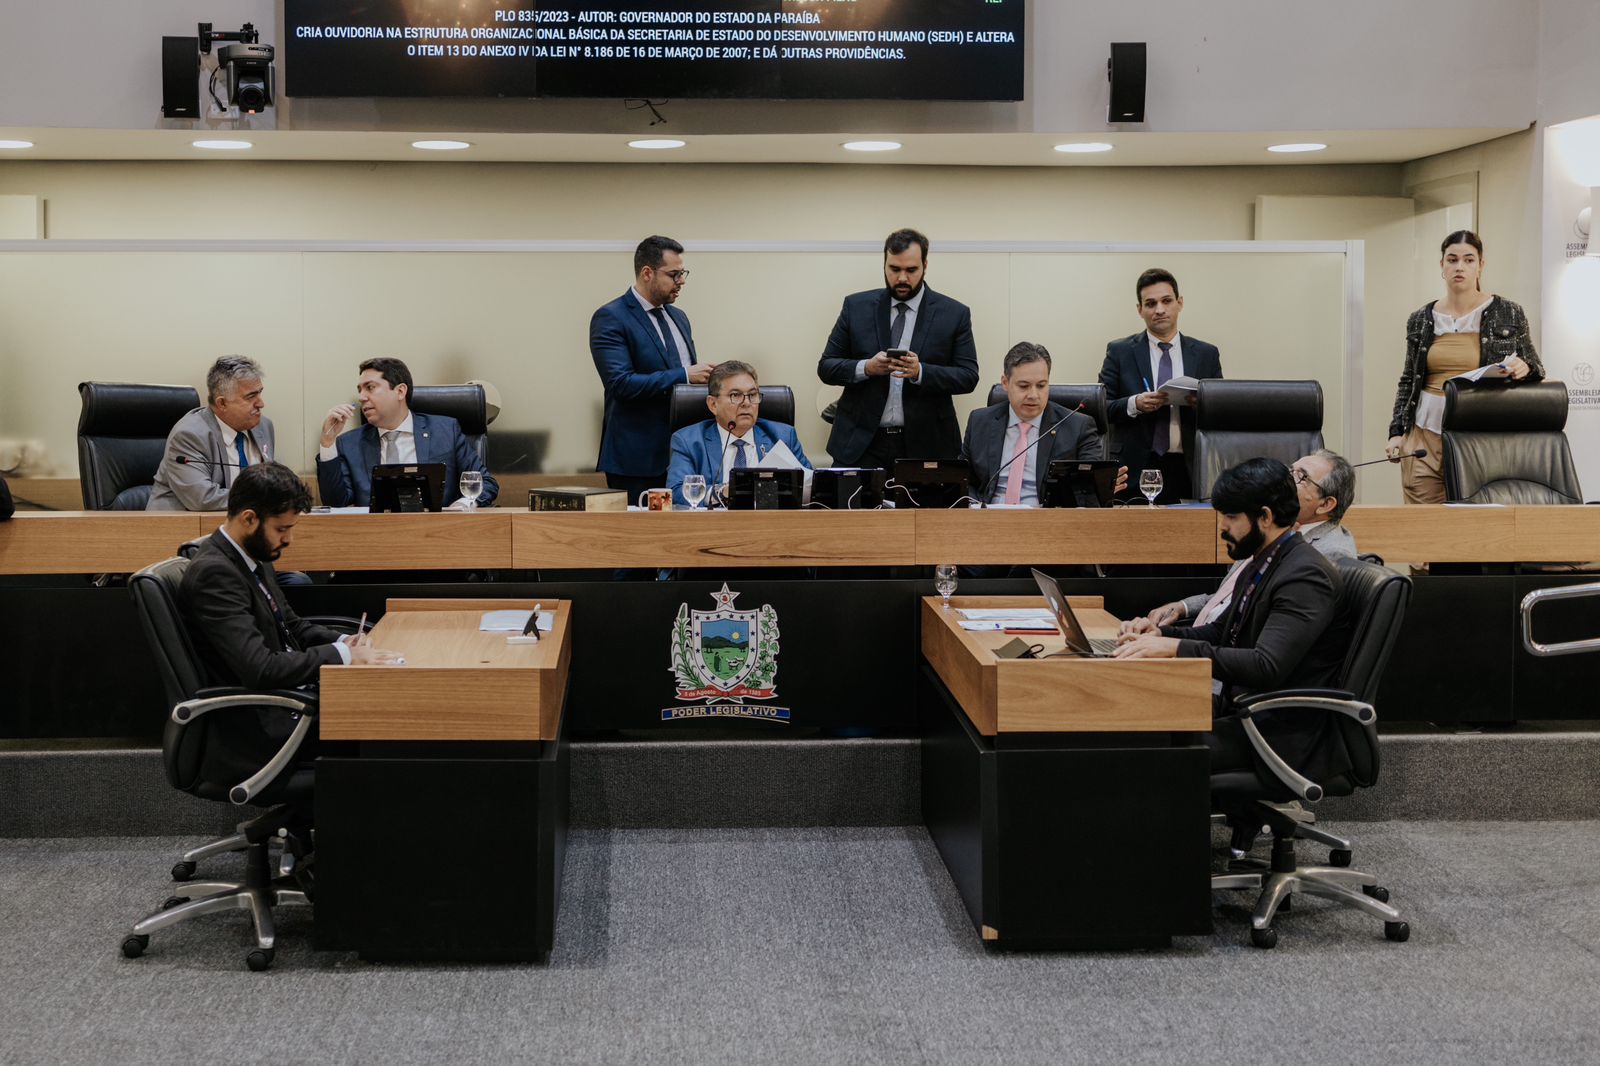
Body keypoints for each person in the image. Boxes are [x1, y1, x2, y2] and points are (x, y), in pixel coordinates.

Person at [1114, 458, 1350, 775]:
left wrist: (1176, 649)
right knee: (1125, 716)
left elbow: (1266, 665)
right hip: (1240, 712)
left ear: (1265, 517)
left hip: (1275, 735)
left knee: (1137, 744)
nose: (1222, 527)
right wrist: (1159, 636)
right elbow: (1220, 631)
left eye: (1231, 517)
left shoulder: (1304, 576)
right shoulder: (1265, 560)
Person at [182, 462, 400, 692]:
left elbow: (291, 626)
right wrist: (343, 655)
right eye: (281, 529)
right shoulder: (215, 575)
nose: (289, 539)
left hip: (289, 687)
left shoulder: (253, 554)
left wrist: (343, 642)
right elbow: (261, 668)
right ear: (248, 519)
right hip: (265, 707)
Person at [1386, 230, 1543, 504]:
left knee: (1474, 519)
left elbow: (1536, 367)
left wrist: (1524, 367)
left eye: (1469, 260)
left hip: (1479, 437)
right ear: (1442, 265)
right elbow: (1409, 379)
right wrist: (1397, 432)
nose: (1460, 267)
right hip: (1424, 435)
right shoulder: (1420, 319)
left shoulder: (1508, 312)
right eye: (1452, 260)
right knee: (1423, 520)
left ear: (1481, 265)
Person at [1128, 449, 1359, 631]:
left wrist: (1179, 647)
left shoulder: (1329, 555)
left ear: (1326, 504)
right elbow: (1233, 596)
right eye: (1290, 470)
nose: (1286, 480)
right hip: (1211, 638)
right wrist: (1183, 607)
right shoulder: (1272, 530)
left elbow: (1268, 641)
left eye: (1301, 477)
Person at [817, 228, 980, 469]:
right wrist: (867, 368)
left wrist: (920, 372)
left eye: (911, 270)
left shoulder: (954, 314)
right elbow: (827, 367)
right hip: (860, 444)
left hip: (926, 444)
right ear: (884, 264)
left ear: (925, 265)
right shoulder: (856, 307)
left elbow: (968, 376)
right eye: (894, 269)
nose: (902, 278)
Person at [591, 235, 713, 505]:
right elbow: (621, 384)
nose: (681, 281)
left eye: (683, 274)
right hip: (637, 458)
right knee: (642, 531)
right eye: (674, 274)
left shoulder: (679, 317)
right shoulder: (611, 317)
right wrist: (685, 375)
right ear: (647, 273)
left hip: (684, 453)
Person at [1098, 268, 1223, 503]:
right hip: (1134, 467)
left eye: (1166, 301)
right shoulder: (1120, 351)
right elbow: (1101, 407)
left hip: (1189, 466)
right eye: (1150, 303)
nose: (1159, 310)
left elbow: (1221, 411)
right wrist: (1135, 403)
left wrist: (1202, 404)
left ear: (1180, 303)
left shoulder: (1206, 354)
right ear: (1140, 309)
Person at [317, 357, 498, 509]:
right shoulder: (349, 443)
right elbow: (336, 503)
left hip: (439, 532)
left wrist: (461, 506)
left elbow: (485, 483)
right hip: (376, 534)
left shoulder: (445, 431)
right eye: (360, 390)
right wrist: (327, 442)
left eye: (370, 387)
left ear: (400, 391)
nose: (361, 397)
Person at [961, 342, 1127, 505]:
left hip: (1047, 518)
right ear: (1005, 383)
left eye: (1041, 385)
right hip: (989, 516)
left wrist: (1100, 488)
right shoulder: (979, 422)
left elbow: (1087, 489)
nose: (1033, 395)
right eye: (1024, 386)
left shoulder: (1078, 427)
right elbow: (965, 481)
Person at [666, 360, 811, 507]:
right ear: (713, 404)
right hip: (717, 520)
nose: (746, 403)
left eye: (752, 395)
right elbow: (676, 492)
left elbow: (810, 486)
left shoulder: (783, 436)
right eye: (735, 395)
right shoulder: (689, 441)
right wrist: (723, 492)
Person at [148, 355, 276, 511]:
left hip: (242, 522)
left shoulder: (263, 426)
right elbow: (202, 499)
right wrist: (265, 499)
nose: (261, 403)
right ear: (222, 403)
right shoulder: (189, 435)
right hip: (178, 523)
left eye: (260, 393)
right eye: (251, 397)